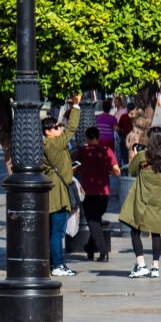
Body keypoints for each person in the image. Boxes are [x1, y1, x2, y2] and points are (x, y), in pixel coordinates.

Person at [120, 127, 161, 278]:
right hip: (160, 198)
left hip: (142, 198)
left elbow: (132, 171)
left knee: (135, 230)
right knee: (156, 232)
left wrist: (133, 155)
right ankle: (155, 267)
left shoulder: (142, 156)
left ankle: (141, 265)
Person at [76, 126, 119, 264]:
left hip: (87, 192)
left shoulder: (82, 152)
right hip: (103, 192)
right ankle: (90, 247)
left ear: (87, 138)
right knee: (96, 220)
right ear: (98, 137)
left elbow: (73, 168)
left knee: (93, 222)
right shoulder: (107, 151)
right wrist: (108, 172)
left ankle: (103, 251)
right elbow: (117, 171)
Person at [41, 117, 76, 276]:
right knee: (58, 232)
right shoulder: (53, 144)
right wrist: (76, 106)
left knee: (54, 231)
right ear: (47, 132)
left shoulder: (46, 144)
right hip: (58, 194)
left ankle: (55, 262)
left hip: (54, 189)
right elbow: (71, 130)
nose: (58, 128)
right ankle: (58, 264)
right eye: (55, 127)